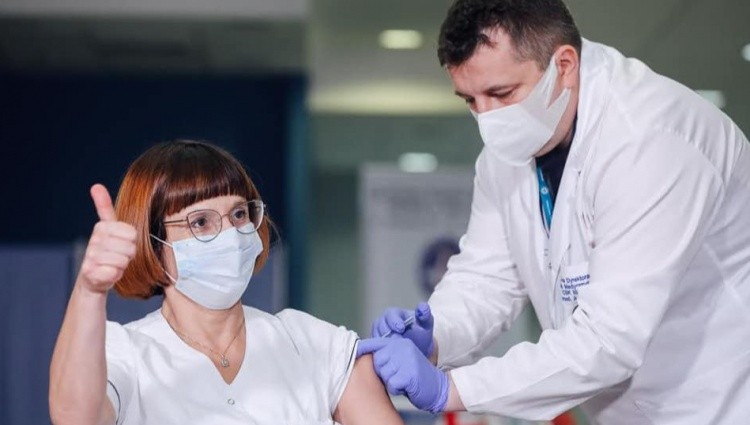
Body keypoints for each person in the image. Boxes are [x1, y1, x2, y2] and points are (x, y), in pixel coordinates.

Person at [357, 0, 750, 424]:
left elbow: (610, 339)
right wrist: (436, 337)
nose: (487, 119)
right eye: (470, 100)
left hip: (722, 402)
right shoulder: (507, 151)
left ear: (564, 65)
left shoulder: (650, 138)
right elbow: (486, 279)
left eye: (501, 93)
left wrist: (451, 388)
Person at [49, 140, 404, 425]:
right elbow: (74, 418)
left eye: (238, 214)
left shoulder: (314, 344)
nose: (231, 235)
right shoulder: (126, 352)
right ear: (154, 244)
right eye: (200, 222)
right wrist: (90, 289)